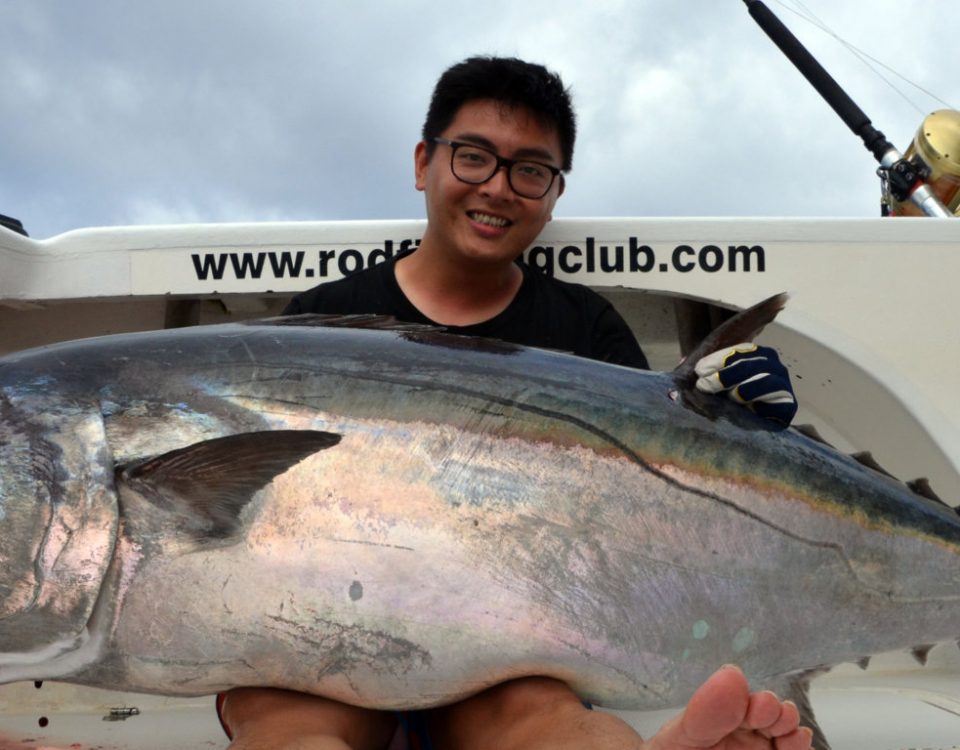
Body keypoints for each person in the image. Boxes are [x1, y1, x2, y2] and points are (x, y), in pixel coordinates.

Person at [219, 56, 807, 749]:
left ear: (554, 193)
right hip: (322, 626)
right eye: (473, 158)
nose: (498, 188)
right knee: (289, 724)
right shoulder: (326, 316)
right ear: (424, 163)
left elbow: (651, 486)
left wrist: (732, 422)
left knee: (541, 718)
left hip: (511, 642)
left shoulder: (586, 329)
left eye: (530, 170)